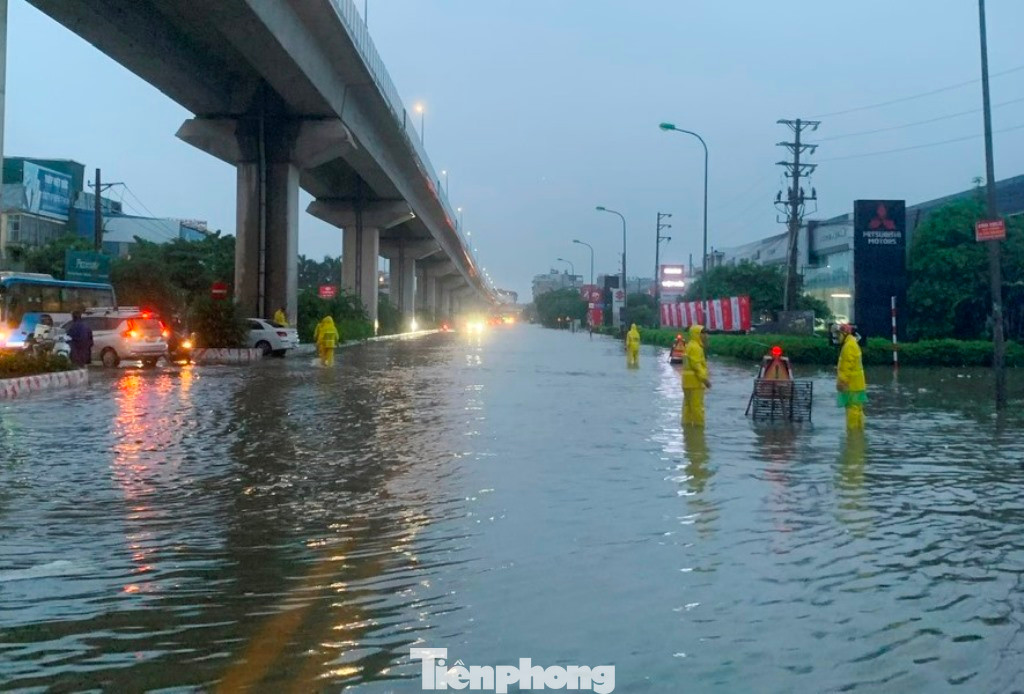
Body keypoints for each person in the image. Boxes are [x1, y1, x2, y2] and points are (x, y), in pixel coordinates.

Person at [836, 323, 866, 430]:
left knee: (852, 410)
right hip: (857, 384)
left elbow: (846, 367)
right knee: (857, 409)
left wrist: (842, 383)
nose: (837, 337)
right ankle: (859, 433)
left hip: (851, 385)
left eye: (839, 334)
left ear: (844, 334)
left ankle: (853, 435)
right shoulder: (853, 344)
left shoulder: (848, 346)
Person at [682, 324, 711, 426]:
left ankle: (687, 428)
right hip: (695, 382)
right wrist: (705, 380)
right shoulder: (696, 348)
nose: (707, 336)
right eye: (704, 333)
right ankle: (699, 430)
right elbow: (697, 366)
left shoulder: (689, 345)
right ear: (697, 334)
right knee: (697, 407)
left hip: (686, 382)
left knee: (687, 407)